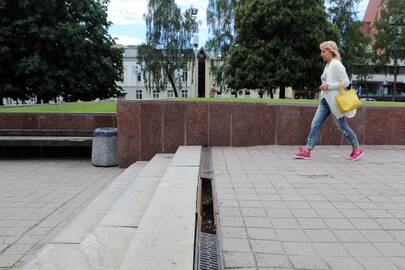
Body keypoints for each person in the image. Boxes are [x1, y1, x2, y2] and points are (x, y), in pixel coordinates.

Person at [294, 41, 364, 161]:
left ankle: (357, 149)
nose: (322, 54)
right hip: (324, 101)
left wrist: (329, 86)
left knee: (343, 127)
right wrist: (324, 87)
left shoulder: (337, 64)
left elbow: (346, 82)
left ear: (331, 51)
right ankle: (307, 151)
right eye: (321, 51)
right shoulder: (328, 65)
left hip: (335, 103)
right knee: (315, 124)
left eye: (324, 51)